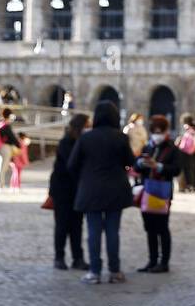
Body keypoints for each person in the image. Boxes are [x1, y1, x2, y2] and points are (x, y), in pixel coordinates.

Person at [68, 100, 136, 285]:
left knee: (93, 231)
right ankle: (114, 271)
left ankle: (95, 272)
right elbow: (130, 162)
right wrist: (124, 167)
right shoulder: (121, 138)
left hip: (91, 189)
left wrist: (86, 175)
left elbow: (72, 165)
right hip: (116, 189)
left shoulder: (86, 138)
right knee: (113, 231)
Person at [135, 115, 182, 273]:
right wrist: (141, 163)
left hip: (162, 192)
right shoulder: (147, 147)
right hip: (147, 191)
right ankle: (152, 260)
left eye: (160, 131)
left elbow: (176, 169)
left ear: (165, 131)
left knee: (162, 227)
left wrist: (159, 166)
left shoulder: (172, 148)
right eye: (154, 131)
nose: (157, 134)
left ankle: (164, 262)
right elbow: (137, 166)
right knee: (149, 227)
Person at [50, 113, 89, 270]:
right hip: (63, 190)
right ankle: (59, 257)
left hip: (77, 190)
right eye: (87, 126)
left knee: (77, 225)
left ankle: (77, 258)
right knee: (62, 225)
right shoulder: (66, 142)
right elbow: (71, 165)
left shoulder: (82, 142)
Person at [175, 114, 195, 192]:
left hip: (187, 152)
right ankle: (193, 185)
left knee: (188, 169)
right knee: (193, 169)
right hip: (194, 152)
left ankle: (189, 185)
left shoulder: (190, 130)